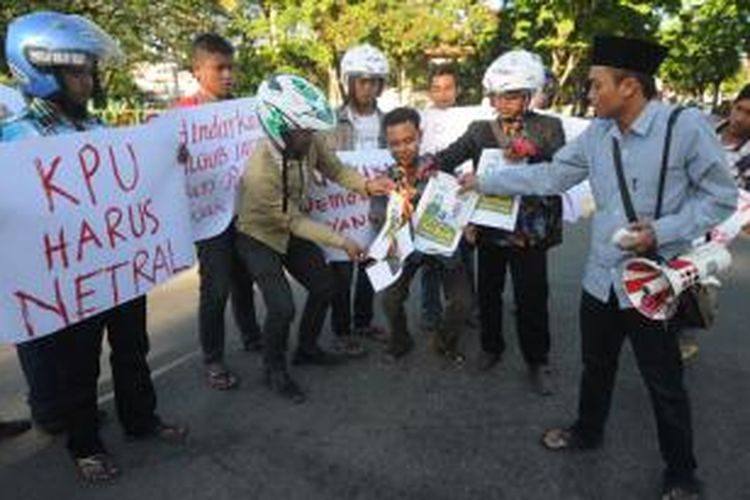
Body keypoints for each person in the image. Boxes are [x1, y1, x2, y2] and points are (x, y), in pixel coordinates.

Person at [459, 35, 737, 500]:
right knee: (596, 364)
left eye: (594, 85)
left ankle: (682, 473)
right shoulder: (599, 134)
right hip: (601, 278)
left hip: (653, 282)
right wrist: (483, 181)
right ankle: (588, 431)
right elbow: (549, 176)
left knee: (663, 382)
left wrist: (663, 230)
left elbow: (721, 198)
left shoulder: (683, 128)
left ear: (628, 86)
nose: (588, 95)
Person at [3, 11, 188, 483]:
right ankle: (84, 444)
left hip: (120, 271)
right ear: (41, 74)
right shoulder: (12, 141)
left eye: (90, 70)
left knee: (133, 349)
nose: (88, 81)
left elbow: (137, 183)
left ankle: (141, 419)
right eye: (77, 71)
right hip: (70, 281)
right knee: (77, 369)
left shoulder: (100, 132)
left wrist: (166, 159)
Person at [234, 74, 394, 403]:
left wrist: (366, 186)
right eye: (304, 131)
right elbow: (293, 221)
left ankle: (306, 348)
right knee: (282, 307)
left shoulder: (307, 139)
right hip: (259, 235)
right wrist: (343, 241)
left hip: (291, 225)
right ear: (278, 126)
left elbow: (335, 169)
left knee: (325, 286)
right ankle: (273, 369)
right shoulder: (259, 173)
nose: (312, 137)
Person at [435, 50, 565, 395]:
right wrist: (424, 165)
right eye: (496, 96)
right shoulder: (480, 131)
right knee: (489, 293)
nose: (501, 103)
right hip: (490, 229)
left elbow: (562, 167)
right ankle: (492, 348)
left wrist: (532, 150)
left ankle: (538, 360)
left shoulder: (549, 128)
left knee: (532, 297)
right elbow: (448, 157)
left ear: (527, 95)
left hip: (529, 234)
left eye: (509, 95)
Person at [176, 33, 262, 391]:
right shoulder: (180, 117)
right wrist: (176, 156)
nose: (228, 75)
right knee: (215, 288)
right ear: (197, 70)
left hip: (243, 212)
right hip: (208, 219)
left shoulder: (242, 112)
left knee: (245, 278)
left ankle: (251, 335)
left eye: (231, 67)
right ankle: (213, 358)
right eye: (219, 68)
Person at [375, 107, 472, 363]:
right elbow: (376, 218)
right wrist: (392, 215)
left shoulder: (440, 168)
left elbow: (461, 200)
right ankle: (400, 339)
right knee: (390, 299)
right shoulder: (385, 179)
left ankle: (444, 340)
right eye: (394, 143)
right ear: (387, 143)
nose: (402, 148)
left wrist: (468, 222)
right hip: (406, 249)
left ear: (420, 135)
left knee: (463, 302)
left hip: (444, 248)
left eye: (408, 140)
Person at [329, 44, 390, 356]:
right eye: (361, 81)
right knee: (340, 272)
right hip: (341, 210)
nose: (367, 88)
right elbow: (322, 161)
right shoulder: (330, 121)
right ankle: (341, 330)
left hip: (377, 209)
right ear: (347, 81)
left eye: (374, 81)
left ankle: (363, 321)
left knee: (371, 268)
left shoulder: (389, 121)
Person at [419, 64, 478, 336]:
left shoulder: (474, 120)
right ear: (429, 91)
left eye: (448, 88)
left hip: (465, 195)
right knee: (430, 258)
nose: (442, 94)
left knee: (465, 257)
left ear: (457, 90)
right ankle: (430, 312)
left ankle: (469, 309)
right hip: (432, 196)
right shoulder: (420, 120)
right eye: (436, 88)